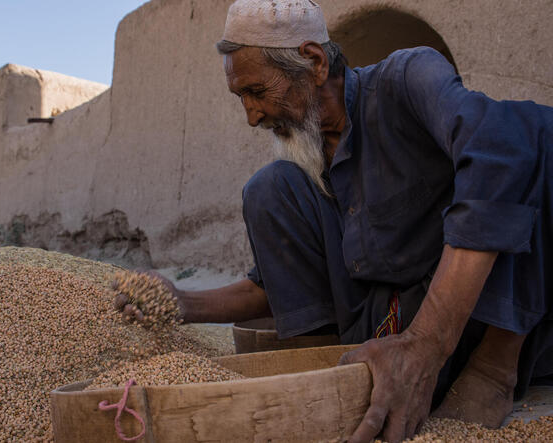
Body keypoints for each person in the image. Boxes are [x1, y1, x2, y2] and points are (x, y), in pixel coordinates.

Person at [116, 1, 553, 441]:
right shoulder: (308, 154)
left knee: (526, 133)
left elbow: (501, 156)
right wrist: (182, 303)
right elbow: (274, 287)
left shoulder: (407, 79)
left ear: (315, 62)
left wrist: (426, 345)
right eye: (241, 98)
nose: (251, 116)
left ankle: (494, 370)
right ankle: (322, 372)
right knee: (269, 187)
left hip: (471, 317)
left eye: (257, 92)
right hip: (378, 329)